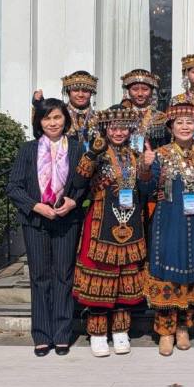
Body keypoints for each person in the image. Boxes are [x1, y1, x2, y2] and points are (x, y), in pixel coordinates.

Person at [7, 98, 86, 357]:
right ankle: (41, 335)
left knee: (64, 276)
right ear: (39, 122)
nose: (52, 123)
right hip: (36, 221)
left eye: (57, 117)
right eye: (47, 118)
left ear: (66, 120)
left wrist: (74, 202)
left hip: (66, 220)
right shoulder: (28, 149)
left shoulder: (77, 148)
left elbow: (85, 183)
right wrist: (35, 206)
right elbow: (14, 187)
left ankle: (62, 334)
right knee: (40, 277)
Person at [140, 103, 194, 357]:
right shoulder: (160, 154)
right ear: (171, 127)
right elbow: (147, 189)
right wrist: (147, 167)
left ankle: (183, 327)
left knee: (191, 267)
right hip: (168, 219)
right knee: (168, 269)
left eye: (190, 123)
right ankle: (165, 331)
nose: (185, 127)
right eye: (179, 123)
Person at [71, 107, 147, 357]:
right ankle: (98, 333)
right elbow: (80, 179)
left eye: (123, 127)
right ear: (105, 128)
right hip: (101, 219)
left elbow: (144, 187)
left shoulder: (134, 154)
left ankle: (121, 331)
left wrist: (147, 166)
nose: (118, 132)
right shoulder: (96, 152)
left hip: (129, 219)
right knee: (102, 273)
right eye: (113, 127)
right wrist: (92, 151)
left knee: (126, 275)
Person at [32, 71, 99, 151]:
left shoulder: (100, 117)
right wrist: (38, 104)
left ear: (91, 93)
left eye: (85, 91)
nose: (80, 95)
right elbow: (39, 134)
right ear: (68, 92)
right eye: (76, 90)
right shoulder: (59, 114)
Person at [119, 69, 169, 151]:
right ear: (128, 91)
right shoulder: (120, 115)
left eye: (145, 89)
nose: (140, 94)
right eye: (135, 89)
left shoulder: (160, 118)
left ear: (152, 91)